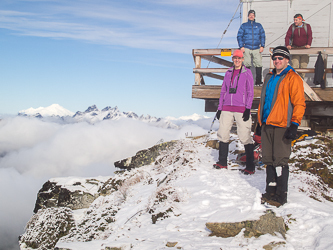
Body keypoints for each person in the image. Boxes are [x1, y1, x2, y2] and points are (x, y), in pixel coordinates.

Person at [256, 46, 306, 207]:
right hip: (266, 123)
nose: (277, 61)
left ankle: (281, 194)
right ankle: (270, 191)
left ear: (287, 60)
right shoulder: (269, 77)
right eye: (275, 58)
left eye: (280, 58)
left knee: (280, 160)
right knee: (268, 160)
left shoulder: (293, 78)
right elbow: (263, 101)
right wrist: (259, 123)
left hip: (282, 124)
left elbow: (299, 103)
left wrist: (295, 124)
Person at [214, 49, 255, 175]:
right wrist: (220, 108)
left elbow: (250, 92)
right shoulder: (228, 73)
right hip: (226, 107)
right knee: (223, 133)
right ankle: (222, 162)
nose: (237, 60)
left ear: (242, 59)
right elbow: (223, 91)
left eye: (239, 58)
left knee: (244, 135)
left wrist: (248, 108)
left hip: (241, 108)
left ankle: (250, 166)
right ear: (233, 59)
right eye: (235, 58)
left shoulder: (247, 73)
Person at [237, 9, 266, 86]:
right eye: (250, 15)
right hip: (246, 47)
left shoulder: (259, 25)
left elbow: (262, 36)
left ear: (254, 16)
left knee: (258, 63)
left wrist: (262, 45)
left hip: (257, 47)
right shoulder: (244, 25)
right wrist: (241, 46)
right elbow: (239, 36)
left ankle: (258, 81)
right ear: (248, 16)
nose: (251, 16)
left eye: (253, 15)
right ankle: (247, 81)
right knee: (246, 64)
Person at [285, 13, 313, 79]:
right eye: (294, 20)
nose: (295, 21)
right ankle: (295, 80)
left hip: (304, 48)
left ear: (301, 20)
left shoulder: (307, 26)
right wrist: (287, 45)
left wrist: (309, 44)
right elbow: (287, 36)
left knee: (303, 66)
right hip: (295, 48)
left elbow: (310, 36)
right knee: (295, 65)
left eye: (296, 20)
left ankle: (302, 81)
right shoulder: (292, 27)